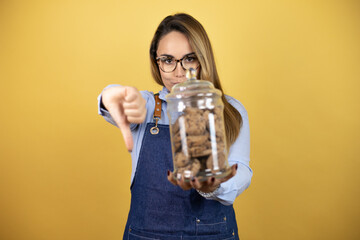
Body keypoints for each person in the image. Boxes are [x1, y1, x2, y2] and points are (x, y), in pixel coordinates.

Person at [98, 13, 252, 240]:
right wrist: (109, 96)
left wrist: (213, 186)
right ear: (156, 62)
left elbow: (242, 171)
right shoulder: (147, 107)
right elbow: (117, 101)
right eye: (168, 60)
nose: (179, 72)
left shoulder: (230, 110)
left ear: (203, 58)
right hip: (147, 234)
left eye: (189, 58)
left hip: (213, 234)